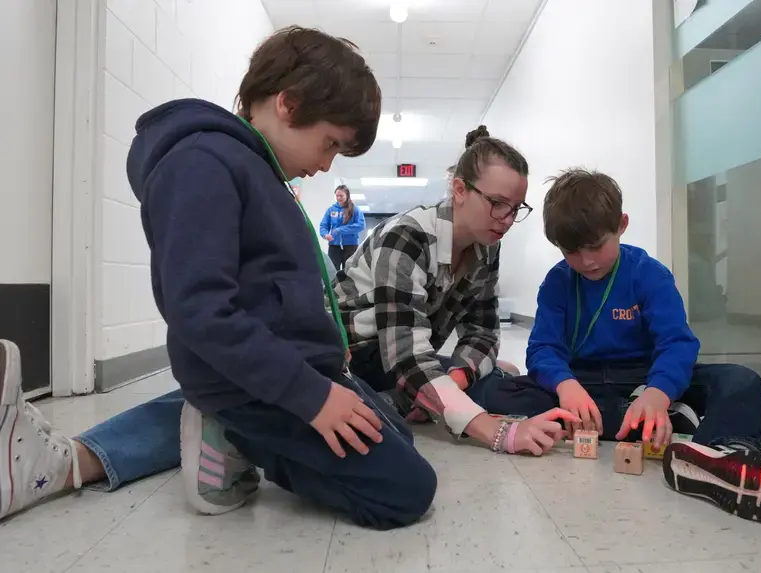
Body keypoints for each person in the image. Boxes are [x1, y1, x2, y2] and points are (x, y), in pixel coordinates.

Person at [0, 26, 437, 530]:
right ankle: (235, 435)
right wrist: (310, 397)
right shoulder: (201, 163)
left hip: (292, 372)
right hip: (256, 384)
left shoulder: (262, 172)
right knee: (407, 491)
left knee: (396, 437)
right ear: (288, 105)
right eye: (330, 145)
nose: (325, 165)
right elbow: (200, 310)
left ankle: (234, 428)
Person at [483, 168, 761, 521]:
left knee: (741, 381)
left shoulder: (648, 273)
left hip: (644, 380)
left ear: (622, 225)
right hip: (584, 385)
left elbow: (677, 345)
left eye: (596, 246)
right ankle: (671, 426)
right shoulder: (557, 282)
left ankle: (724, 454)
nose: (587, 261)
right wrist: (566, 386)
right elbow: (542, 349)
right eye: (572, 252)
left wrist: (658, 393)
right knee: (491, 390)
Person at [340, 125, 575, 454]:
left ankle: (414, 398)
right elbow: (406, 356)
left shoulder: (486, 247)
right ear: (460, 189)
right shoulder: (406, 237)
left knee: (510, 379)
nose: (507, 219)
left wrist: (458, 378)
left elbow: (484, 333)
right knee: (477, 386)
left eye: (516, 208)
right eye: (497, 203)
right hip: (358, 359)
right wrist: (499, 434)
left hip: (408, 361)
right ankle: (396, 401)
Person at [320, 184, 366, 271]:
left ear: (347, 196)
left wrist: (340, 230)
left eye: (341, 195)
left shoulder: (354, 209)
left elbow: (361, 225)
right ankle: (334, 285)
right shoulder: (331, 210)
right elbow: (323, 225)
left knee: (349, 271)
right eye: (337, 195)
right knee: (333, 271)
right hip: (334, 245)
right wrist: (325, 234)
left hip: (350, 245)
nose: (338, 198)